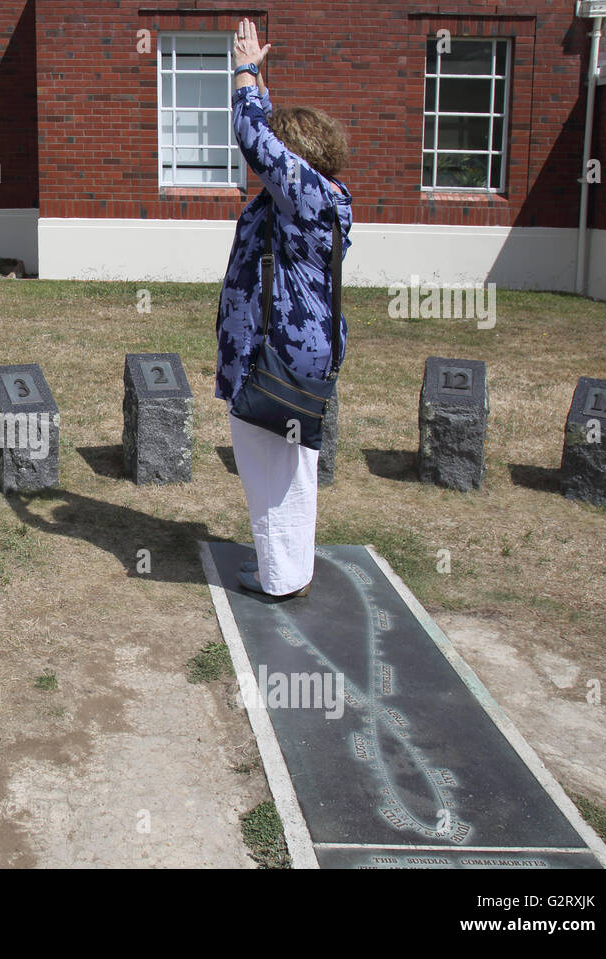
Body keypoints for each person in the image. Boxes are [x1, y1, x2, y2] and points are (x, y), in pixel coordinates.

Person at [215, 19, 353, 599]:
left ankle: (277, 577)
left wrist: (246, 72)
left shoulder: (303, 193)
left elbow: (257, 141)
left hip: (275, 355)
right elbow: (270, 146)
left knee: (269, 467)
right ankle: (289, 569)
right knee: (291, 470)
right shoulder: (320, 197)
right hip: (301, 351)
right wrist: (262, 85)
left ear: (295, 157)